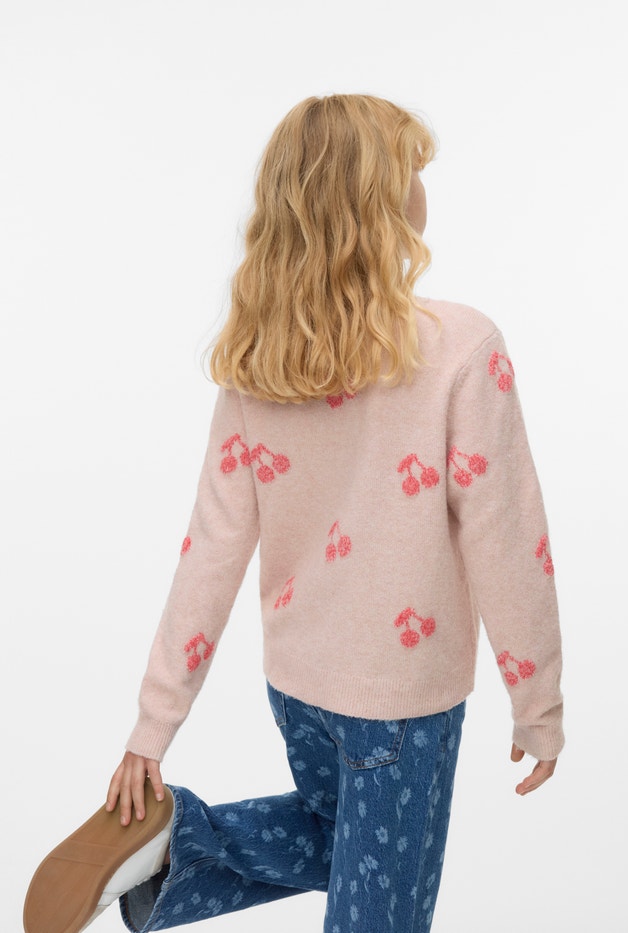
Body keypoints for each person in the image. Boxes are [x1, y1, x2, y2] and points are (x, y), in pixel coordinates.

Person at [24, 94, 564, 933]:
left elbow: (209, 554)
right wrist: (538, 702)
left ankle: (173, 847)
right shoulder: (461, 348)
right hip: (402, 702)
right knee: (383, 909)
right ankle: (176, 846)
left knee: (333, 837)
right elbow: (507, 538)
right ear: (383, 200)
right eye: (413, 171)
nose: (425, 186)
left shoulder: (261, 363)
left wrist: (152, 728)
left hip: (297, 687)